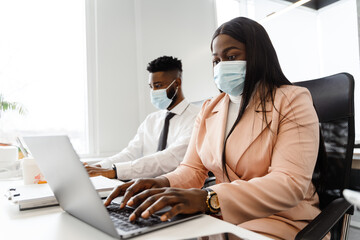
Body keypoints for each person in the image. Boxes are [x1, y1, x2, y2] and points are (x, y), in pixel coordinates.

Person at [104, 17, 326, 240]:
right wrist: (160, 183)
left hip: (282, 218)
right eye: (216, 60)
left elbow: (288, 184)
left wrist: (208, 198)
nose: (222, 66)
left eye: (231, 56)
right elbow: (192, 170)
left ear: (258, 54)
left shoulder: (291, 100)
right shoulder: (210, 108)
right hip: (223, 215)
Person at [85, 56, 200, 180]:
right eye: (151, 87)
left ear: (177, 83)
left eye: (158, 85)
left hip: (176, 188)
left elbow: (169, 159)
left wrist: (114, 171)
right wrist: (98, 167)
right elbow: (130, 153)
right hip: (143, 186)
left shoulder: (197, 118)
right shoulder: (151, 120)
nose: (154, 91)